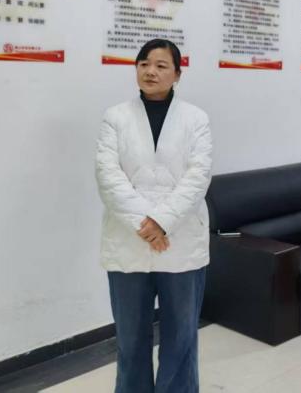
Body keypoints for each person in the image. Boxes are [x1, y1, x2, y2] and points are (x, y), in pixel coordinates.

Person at [96, 38, 213, 393]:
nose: (151, 71)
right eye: (144, 63)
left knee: (181, 338)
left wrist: (162, 222)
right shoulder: (115, 117)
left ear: (177, 74)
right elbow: (107, 175)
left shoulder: (196, 119)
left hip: (181, 240)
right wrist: (146, 225)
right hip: (128, 240)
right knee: (130, 340)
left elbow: (198, 176)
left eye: (161, 65)